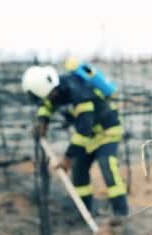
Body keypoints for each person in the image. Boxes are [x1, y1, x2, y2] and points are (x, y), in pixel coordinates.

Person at [21, 60, 129, 219]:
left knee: (107, 167)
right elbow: (46, 105)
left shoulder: (79, 94)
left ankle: (121, 214)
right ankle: (84, 212)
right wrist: (43, 122)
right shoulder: (55, 90)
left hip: (107, 132)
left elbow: (83, 131)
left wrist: (67, 159)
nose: (47, 100)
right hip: (89, 136)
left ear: (50, 91)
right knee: (79, 172)